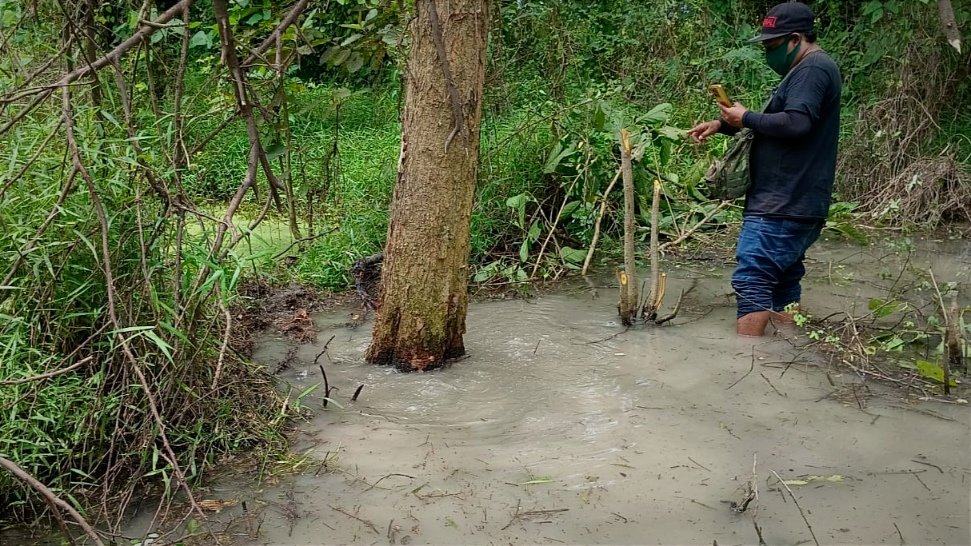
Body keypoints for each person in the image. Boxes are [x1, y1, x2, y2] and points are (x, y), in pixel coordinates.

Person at [688, 1, 842, 337]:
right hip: (798, 202)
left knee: (752, 278)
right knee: (784, 279)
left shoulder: (813, 69)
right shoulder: (811, 68)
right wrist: (724, 123)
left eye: (772, 46)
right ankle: (785, 351)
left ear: (795, 39)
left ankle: (746, 364)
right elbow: (781, 124)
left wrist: (745, 117)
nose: (768, 53)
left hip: (782, 203)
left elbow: (797, 123)